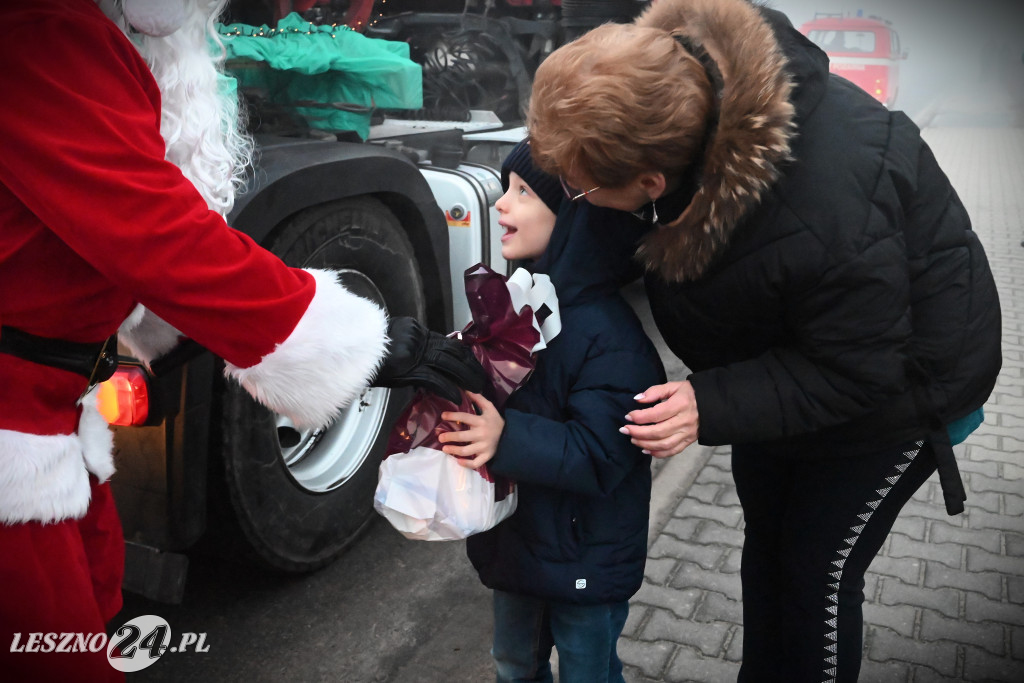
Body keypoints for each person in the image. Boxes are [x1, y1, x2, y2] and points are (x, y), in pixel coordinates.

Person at [0, 1, 483, 681]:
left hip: (50, 414)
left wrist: (199, 332)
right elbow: (162, 237)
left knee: (92, 610)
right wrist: (378, 345)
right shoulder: (43, 33)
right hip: (15, 433)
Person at [525, 0, 1003, 681]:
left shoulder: (828, 209)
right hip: (789, 363)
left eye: (576, 187)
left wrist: (709, 405)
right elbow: (592, 214)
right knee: (767, 548)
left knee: (817, 570)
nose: (567, 195)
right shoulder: (668, 114)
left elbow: (856, 369)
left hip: (902, 389)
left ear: (651, 184)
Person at [437, 140, 665, 683]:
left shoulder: (610, 336)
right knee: (513, 663)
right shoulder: (524, 303)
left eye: (521, 192)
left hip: (585, 556)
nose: (500, 205)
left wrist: (505, 437)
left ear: (576, 219)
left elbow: (602, 454)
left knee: (588, 671)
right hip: (518, 547)